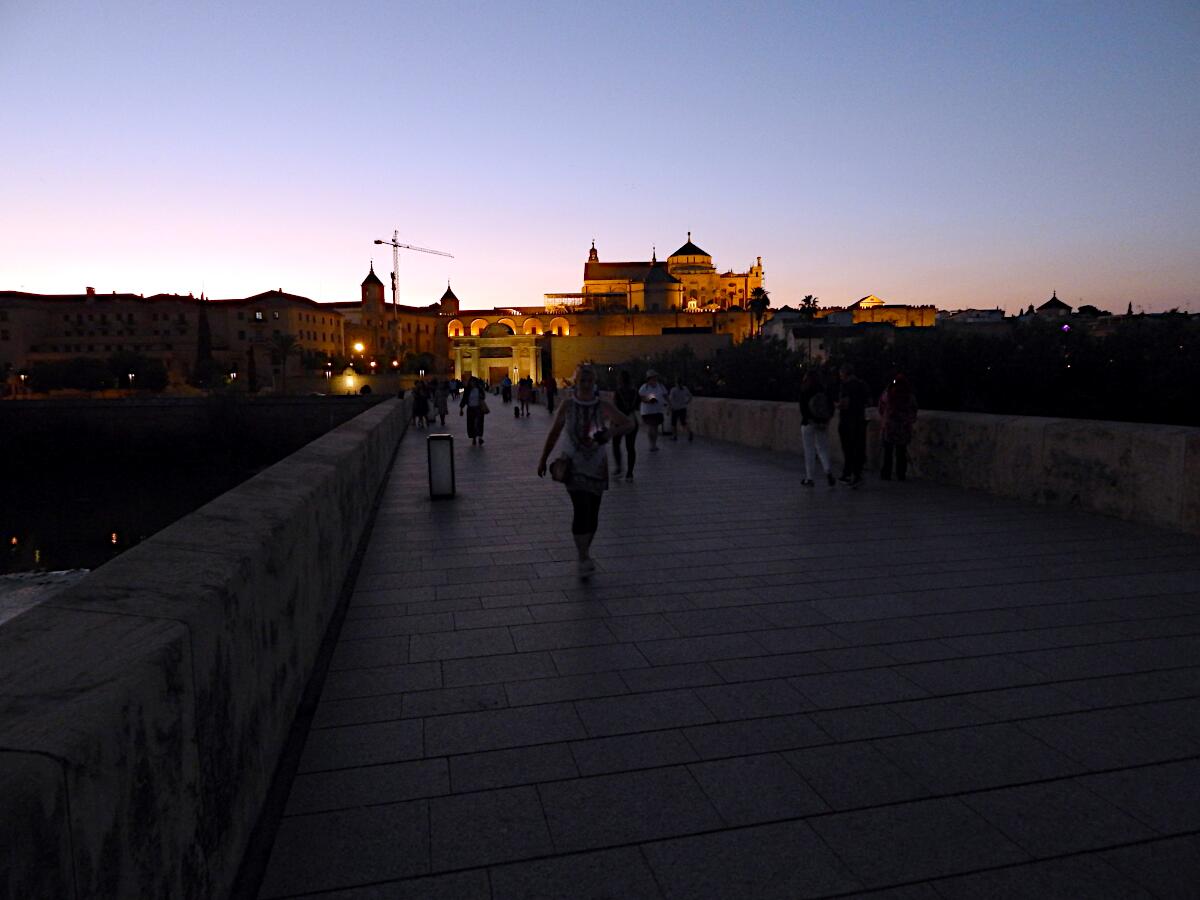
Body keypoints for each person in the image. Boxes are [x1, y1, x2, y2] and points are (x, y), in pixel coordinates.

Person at [537, 365, 633, 579]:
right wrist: (543, 458)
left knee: (593, 513)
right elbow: (555, 431)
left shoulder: (603, 406)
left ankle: (585, 551)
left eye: (590, 381)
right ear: (576, 383)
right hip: (573, 466)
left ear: (594, 383)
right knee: (581, 509)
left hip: (597, 465)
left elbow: (629, 423)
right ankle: (582, 556)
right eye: (582, 381)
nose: (586, 385)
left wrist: (611, 432)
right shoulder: (568, 405)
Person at [798, 369, 835, 487]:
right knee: (823, 448)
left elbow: (803, 409)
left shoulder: (805, 390)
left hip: (808, 424)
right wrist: (826, 420)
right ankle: (828, 471)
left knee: (809, 451)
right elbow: (831, 407)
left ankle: (810, 478)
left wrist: (810, 420)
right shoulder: (824, 390)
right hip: (822, 423)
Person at [878, 373, 918, 481]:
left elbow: (881, 406)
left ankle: (886, 474)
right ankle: (901, 474)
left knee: (888, 452)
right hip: (903, 427)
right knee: (901, 451)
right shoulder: (909, 395)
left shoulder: (888, 393)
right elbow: (913, 410)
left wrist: (885, 418)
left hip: (889, 426)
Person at [837, 363, 870, 487]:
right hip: (860, 420)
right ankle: (857, 474)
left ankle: (849, 474)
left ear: (845, 373)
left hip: (847, 421)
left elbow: (844, 403)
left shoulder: (845, 386)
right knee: (859, 447)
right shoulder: (862, 385)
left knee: (848, 449)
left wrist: (837, 405)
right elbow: (869, 401)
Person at [611, 369, 639, 480]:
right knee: (630, 447)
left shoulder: (618, 392)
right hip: (632, 420)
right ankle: (630, 473)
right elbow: (637, 405)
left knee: (616, 444)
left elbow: (615, 406)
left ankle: (618, 467)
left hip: (620, 421)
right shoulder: (635, 391)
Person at [638, 369, 670, 452]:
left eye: (656, 377)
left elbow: (665, 395)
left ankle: (654, 444)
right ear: (649, 378)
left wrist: (669, 404)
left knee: (655, 427)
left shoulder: (660, 386)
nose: (655, 379)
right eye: (653, 378)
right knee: (651, 426)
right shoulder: (644, 387)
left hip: (657, 410)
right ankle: (651, 444)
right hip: (647, 411)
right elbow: (641, 397)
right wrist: (650, 400)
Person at [459, 375, 489, 446]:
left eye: (474, 382)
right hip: (470, 409)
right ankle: (474, 438)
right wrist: (461, 408)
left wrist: (481, 396)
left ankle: (480, 438)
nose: (472, 383)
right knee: (471, 424)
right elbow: (464, 399)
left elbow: (483, 396)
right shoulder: (467, 390)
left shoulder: (479, 389)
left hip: (479, 409)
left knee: (479, 423)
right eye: (471, 382)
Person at [668, 378, 694, 442]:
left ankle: (674, 436)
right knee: (683, 422)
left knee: (673, 423)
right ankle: (689, 431)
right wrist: (687, 402)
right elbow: (690, 396)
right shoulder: (685, 388)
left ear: (676, 383)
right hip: (683, 408)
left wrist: (668, 408)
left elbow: (670, 400)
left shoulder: (673, 390)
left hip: (675, 409)